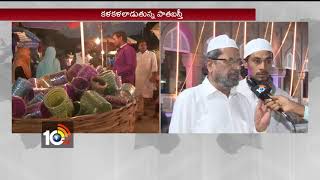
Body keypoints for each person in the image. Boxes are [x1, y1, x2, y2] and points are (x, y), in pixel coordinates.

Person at [169, 35, 271, 133]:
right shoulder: (189, 99)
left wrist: (259, 129)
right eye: (229, 61)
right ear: (210, 65)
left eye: (237, 62)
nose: (237, 67)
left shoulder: (243, 101)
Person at [236, 38, 294, 133]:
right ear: (245, 63)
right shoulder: (233, 93)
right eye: (257, 61)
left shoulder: (283, 97)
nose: (263, 67)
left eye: (268, 61)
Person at [135, 40, 158, 118]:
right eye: (141, 45)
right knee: (138, 95)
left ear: (146, 46)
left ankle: (143, 110)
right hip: (137, 77)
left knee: (147, 95)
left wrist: (154, 76)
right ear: (138, 47)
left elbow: (154, 65)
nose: (143, 46)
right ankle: (140, 112)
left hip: (148, 77)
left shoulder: (152, 54)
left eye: (144, 45)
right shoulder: (136, 55)